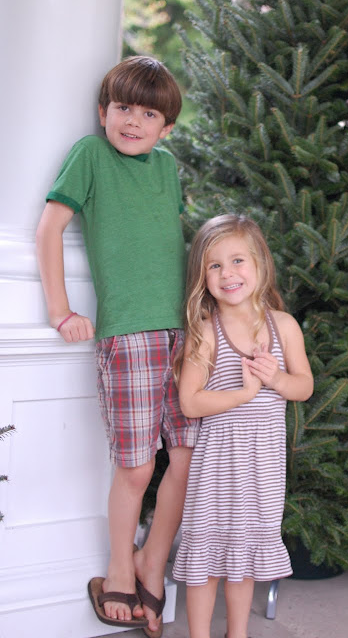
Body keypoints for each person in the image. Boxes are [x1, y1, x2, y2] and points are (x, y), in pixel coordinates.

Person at [35, 55, 200, 638]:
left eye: (149, 114)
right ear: (104, 111)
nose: (133, 121)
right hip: (127, 336)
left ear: (167, 127)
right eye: (123, 108)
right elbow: (49, 229)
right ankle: (119, 570)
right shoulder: (90, 155)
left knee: (187, 457)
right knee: (136, 467)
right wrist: (60, 311)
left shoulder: (167, 168)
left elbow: (171, 246)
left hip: (185, 335)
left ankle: (152, 559)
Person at [172, 214, 314, 638]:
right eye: (214, 265)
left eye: (237, 261)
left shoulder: (283, 327)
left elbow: (304, 386)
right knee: (206, 561)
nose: (227, 273)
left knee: (245, 558)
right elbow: (190, 402)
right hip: (217, 466)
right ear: (203, 276)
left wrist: (275, 378)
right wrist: (244, 394)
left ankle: (238, 633)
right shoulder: (205, 332)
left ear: (259, 265)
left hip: (263, 467)